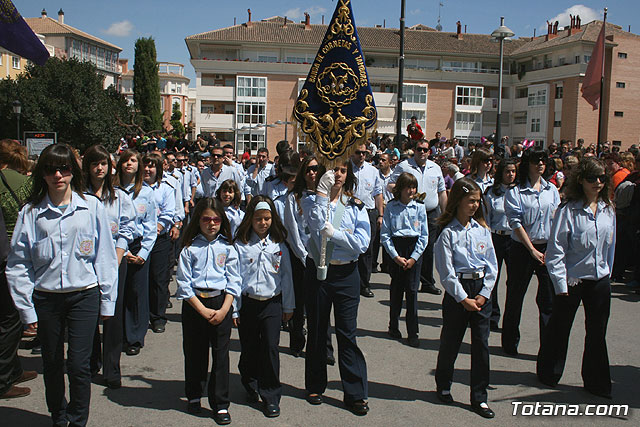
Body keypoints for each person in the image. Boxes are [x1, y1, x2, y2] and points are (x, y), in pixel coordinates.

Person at [7, 143, 118, 427]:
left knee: (79, 365)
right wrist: (26, 312)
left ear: (73, 172)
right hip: (47, 299)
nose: (58, 174)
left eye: (65, 168)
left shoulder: (91, 206)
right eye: (51, 169)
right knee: (53, 363)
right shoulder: (30, 213)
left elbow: (104, 256)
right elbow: (19, 265)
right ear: (41, 174)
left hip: (84, 296)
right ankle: (59, 415)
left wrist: (107, 301)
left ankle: (78, 419)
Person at [537, 157, 616, 399]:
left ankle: (596, 381)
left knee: (597, 332)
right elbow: (556, 250)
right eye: (592, 178)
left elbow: (610, 247)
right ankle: (549, 372)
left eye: (602, 178)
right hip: (572, 280)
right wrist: (561, 284)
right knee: (560, 328)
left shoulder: (608, 209)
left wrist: (607, 274)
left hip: (599, 279)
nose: (598, 183)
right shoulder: (567, 210)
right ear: (580, 180)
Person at [302, 162, 371, 415]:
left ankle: (355, 393)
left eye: (342, 170)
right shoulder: (310, 202)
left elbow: (362, 244)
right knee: (318, 330)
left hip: (346, 274)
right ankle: (315, 384)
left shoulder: (356, 205)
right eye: (332, 171)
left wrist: (337, 235)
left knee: (347, 333)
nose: (337, 175)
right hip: (319, 272)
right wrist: (321, 193)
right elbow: (317, 226)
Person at [434, 178, 498, 419]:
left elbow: (492, 265)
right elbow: (446, 272)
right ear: (458, 201)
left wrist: (483, 294)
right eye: (470, 200)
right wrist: (463, 298)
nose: (474, 205)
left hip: (480, 289)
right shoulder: (448, 233)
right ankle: (443, 383)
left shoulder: (482, 230)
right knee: (451, 342)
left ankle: (479, 397)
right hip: (458, 292)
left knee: (481, 345)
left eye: (477, 201)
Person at [176, 198, 241, 425]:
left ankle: (220, 404)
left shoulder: (228, 248)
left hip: (220, 302)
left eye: (216, 219)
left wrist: (225, 309)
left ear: (222, 222)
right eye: (206, 219)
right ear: (198, 221)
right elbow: (183, 284)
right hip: (196, 304)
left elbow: (234, 281)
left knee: (221, 355)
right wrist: (202, 310)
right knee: (195, 352)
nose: (211, 224)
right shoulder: (189, 248)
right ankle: (194, 395)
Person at [234, 196, 294, 418]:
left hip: (272, 303)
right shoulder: (241, 244)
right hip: (247, 303)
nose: (263, 223)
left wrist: (289, 306)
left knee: (270, 347)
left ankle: (270, 395)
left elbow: (286, 277)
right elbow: (235, 279)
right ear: (250, 219)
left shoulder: (279, 246)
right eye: (258, 218)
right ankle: (250, 382)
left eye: (267, 218)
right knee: (249, 347)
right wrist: (234, 308)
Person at [83, 145, 136, 389]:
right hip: (85, 264)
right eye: (95, 163)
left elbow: (127, 228)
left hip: (115, 261)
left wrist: (116, 256)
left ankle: (112, 367)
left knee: (112, 315)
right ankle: (90, 361)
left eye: (103, 163)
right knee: (88, 314)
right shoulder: (78, 196)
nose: (99, 168)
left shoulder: (119, 197)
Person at [502, 148, 560, 356]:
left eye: (543, 161)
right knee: (515, 296)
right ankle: (509, 342)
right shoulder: (515, 191)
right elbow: (515, 223)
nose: (541, 165)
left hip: (547, 248)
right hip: (522, 248)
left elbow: (557, 219)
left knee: (548, 300)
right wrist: (532, 250)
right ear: (528, 164)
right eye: (536, 161)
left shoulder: (551, 190)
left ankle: (548, 345)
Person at [0, 139, 37, 399]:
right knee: (10, 320)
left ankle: (13, 369)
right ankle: (4, 378)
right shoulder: (21, 182)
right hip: (13, 255)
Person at [389, 139, 448, 295]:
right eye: (419, 149)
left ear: (430, 152)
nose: (422, 152)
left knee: (428, 248)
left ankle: (427, 281)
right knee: (410, 245)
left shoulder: (435, 168)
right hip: (410, 211)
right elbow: (390, 184)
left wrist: (446, 214)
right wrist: (405, 195)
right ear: (414, 150)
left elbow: (442, 192)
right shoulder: (404, 166)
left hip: (431, 212)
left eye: (426, 150)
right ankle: (407, 277)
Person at [115, 150, 158, 356]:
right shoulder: (112, 190)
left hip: (138, 246)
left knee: (137, 292)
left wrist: (143, 253)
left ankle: (134, 336)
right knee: (118, 292)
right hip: (116, 248)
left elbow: (151, 226)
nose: (129, 164)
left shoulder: (147, 192)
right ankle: (118, 334)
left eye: (133, 160)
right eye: (125, 161)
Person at [380, 172, 428, 347]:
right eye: (408, 187)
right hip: (397, 249)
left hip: (414, 249)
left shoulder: (419, 207)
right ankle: (393, 326)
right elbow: (385, 235)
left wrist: (414, 258)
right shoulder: (392, 207)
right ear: (400, 189)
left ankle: (413, 331)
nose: (411, 190)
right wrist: (395, 257)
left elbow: (424, 236)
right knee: (397, 291)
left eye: (414, 187)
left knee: (412, 291)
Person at [284, 155, 324, 357]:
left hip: (323, 257)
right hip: (301, 257)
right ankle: (297, 341)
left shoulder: (327, 195)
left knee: (321, 304)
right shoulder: (294, 197)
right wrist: (304, 256)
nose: (312, 173)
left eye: (315, 168)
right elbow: (292, 230)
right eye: (307, 169)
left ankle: (324, 346)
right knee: (299, 302)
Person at [143, 153, 175, 335]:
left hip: (159, 239)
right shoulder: (134, 189)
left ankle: (158, 317)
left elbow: (168, 212)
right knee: (140, 280)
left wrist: (156, 229)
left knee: (158, 279)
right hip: (138, 240)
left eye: (152, 166)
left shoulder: (166, 189)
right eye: (145, 166)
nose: (148, 169)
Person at [484, 159, 518, 331]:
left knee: (513, 281)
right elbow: (486, 218)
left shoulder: (519, 191)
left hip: (514, 239)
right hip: (496, 237)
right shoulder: (491, 192)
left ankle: (510, 321)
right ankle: (492, 315)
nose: (510, 174)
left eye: (513, 171)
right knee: (492, 278)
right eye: (507, 171)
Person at [351, 143, 383, 298]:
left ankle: (364, 284)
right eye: (358, 152)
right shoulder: (345, 169)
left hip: (369, 213)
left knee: (367, 250)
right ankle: (351, 282)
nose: (361, 155)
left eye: (364, 153)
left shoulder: (373, 171)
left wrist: (380, 215)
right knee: (350, 247)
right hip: (349, 212)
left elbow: (378, 194)